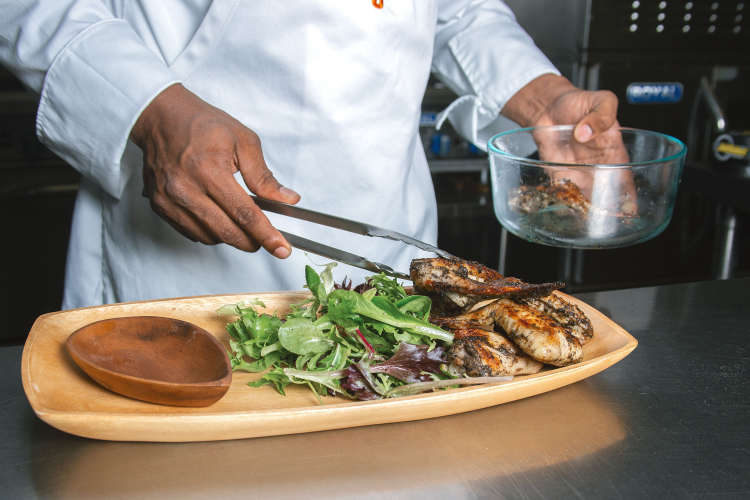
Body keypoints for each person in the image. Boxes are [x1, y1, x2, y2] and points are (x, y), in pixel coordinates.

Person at [0, 1, 622, 308]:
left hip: (389, 256)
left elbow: (457, 12)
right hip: (181, 265)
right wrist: (149, 109)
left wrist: (544, 101)